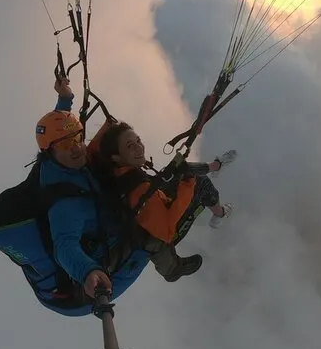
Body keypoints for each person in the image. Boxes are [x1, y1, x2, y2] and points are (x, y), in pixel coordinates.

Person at [36, 76, 150, 305]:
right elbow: (64, 246)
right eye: (67, 145)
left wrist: (65, 98)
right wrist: (88, 272)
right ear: (50, 151)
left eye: (78, 137)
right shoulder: (66, 206)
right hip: (97, 273)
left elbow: (57, 127)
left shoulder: (56, 160)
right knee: (151, 234)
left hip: (95, 199)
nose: (77, 148)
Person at [95, 120, 236, 282]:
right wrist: (188, 184)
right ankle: (219, 214)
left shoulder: (121, 174)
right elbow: (167, 227)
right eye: (130, 146)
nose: (139, 147)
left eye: (138, 141)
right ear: (116, 157)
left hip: (148, 212)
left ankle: (214, 166)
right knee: (200, 183)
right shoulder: (137, 188)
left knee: (182, 169)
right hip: (159, 235)